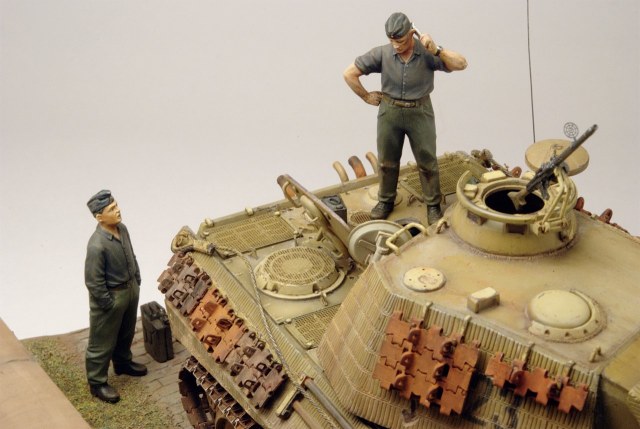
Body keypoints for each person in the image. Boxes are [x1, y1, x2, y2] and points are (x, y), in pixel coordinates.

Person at [343, 12, 467, 224]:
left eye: (400, 41)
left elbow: (461, 64)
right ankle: (385, 200)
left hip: (420, 112)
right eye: (392, 41)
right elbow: (349, 73)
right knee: (387, 162)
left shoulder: (426, 53)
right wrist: (365, 96)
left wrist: (437, 50)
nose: (396, 46)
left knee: (427, 162)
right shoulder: (383, 53)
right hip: (389, 113)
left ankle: (433, 204)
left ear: (412, 33)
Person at [85, 190, 147, 403]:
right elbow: (93, 281)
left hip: (129, 290)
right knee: (102, 341)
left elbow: (132, 254)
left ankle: (122, 363)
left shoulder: (122, 229)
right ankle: (97, 382)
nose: (118, 210)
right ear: (99, 217)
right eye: (111, 209)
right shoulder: (97, 245)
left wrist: (136, 279)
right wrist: (107, 303)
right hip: (111, 297)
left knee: (126, 332)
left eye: (116, 205)